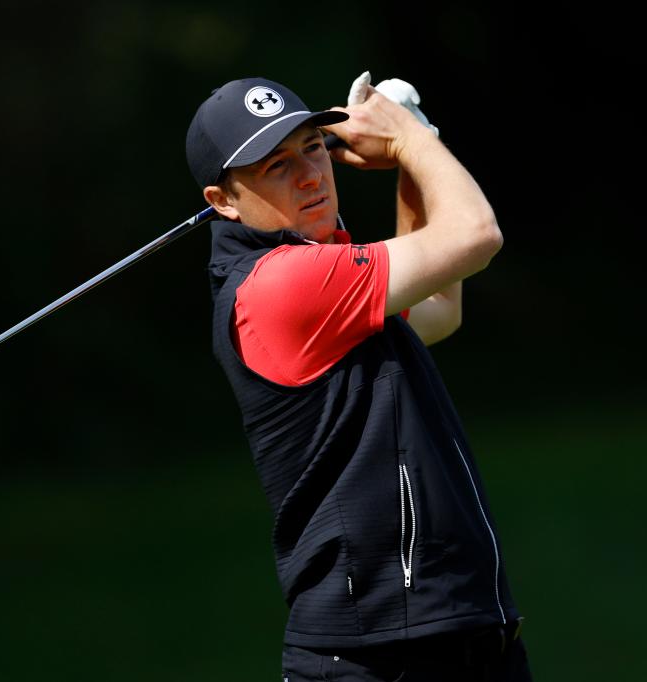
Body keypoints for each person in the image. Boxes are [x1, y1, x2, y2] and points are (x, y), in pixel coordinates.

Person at [187, 74, 531, 681]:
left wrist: (414, 150)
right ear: (223, 201)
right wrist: (408, 141)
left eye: (313, 146)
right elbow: (477, 236)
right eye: (275, 166)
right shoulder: (280, 287)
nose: (310, 175)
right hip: (379, 657)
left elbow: (440, 310)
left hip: (454, 638)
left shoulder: (326, 286)